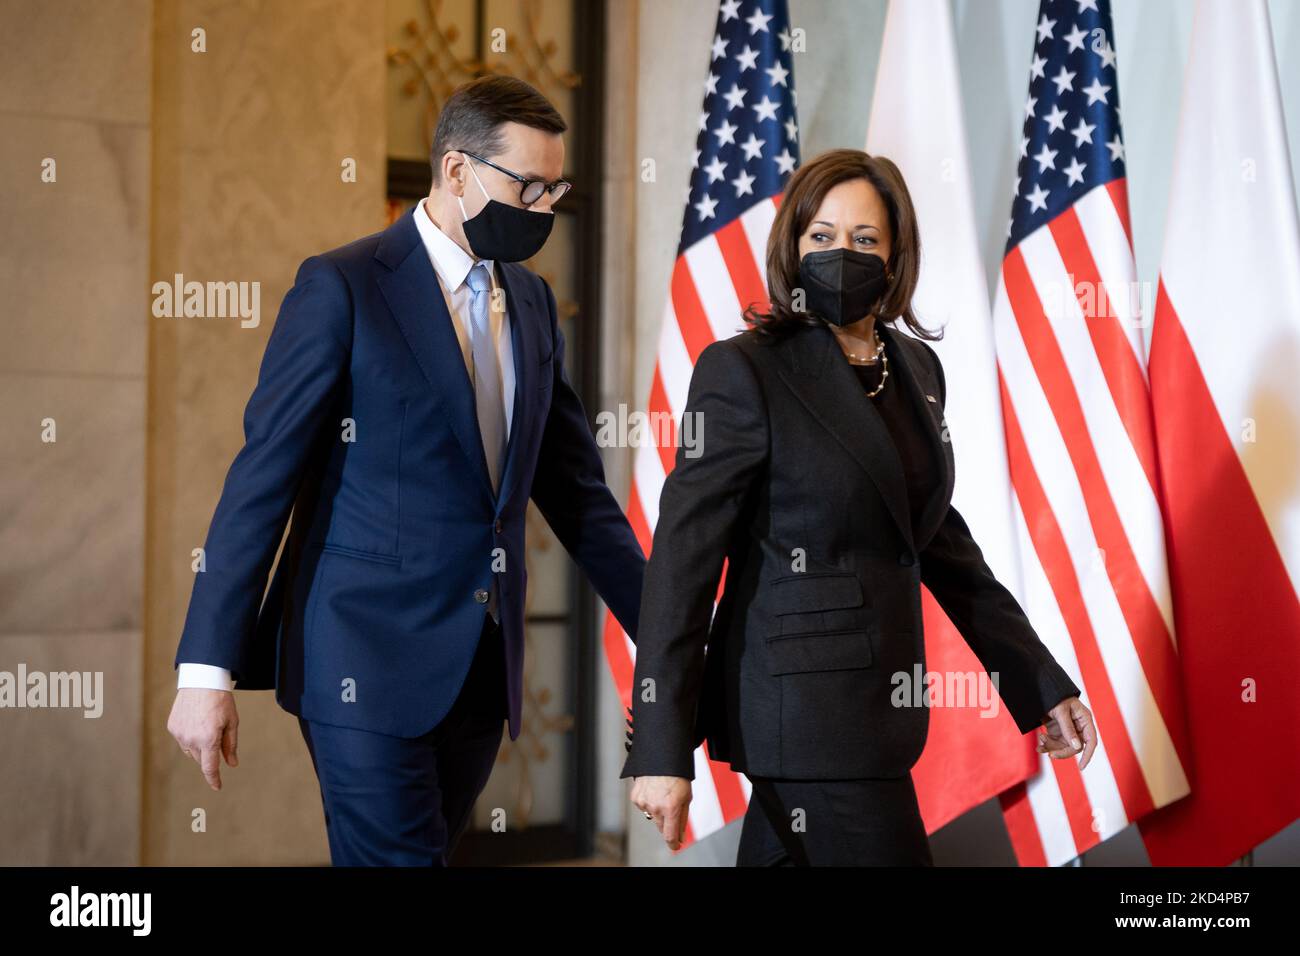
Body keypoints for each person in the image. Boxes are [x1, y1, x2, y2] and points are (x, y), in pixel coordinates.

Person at [167, 75, 645, 865]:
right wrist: (205, 669)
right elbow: (262, 480)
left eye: (554, 189)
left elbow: (579, 499)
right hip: (359, 665)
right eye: (526, 186)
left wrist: (668, 633)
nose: (544, 210)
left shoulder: (531, 305)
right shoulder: (343, 287)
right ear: (456, 173)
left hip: (480, 676)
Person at [621, 148, 1096, 866]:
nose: (842, 254)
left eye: (865, 240)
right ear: (793, 247)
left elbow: (939, 545)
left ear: (896, 254)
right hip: (807, 717)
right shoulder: (745, 370)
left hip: (870, 715)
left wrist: (1036, 681)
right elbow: (683, 563)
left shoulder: (916, 370)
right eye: (822, 237)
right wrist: (660, 746)